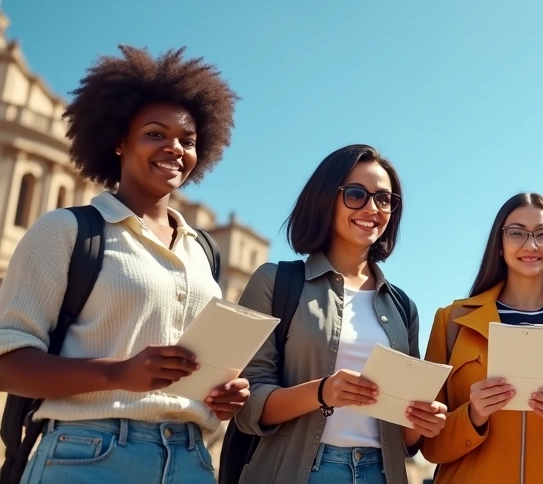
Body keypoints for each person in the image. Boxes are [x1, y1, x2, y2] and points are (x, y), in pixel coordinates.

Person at [0, 46, 246, 484]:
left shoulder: (202, 252)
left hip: (190, 460)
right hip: (87, 455)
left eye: (187, 140)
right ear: (119, 141)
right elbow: (7, 363)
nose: (174, 148)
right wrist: (117, 373)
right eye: (155, 133)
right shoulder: (66, 230)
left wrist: (218, 396)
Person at [234, 144, 447, 483]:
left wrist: (421, 422)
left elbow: (406, 439)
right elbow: (246, 405)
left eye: (384, 199)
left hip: (381, 473)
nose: (372, 208)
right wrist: (323, 392)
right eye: (356, 194)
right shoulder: (274, 282)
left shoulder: (403, 307)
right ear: (325, 198)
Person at [421, 193, 543, 483]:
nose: (531, 245)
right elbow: (428, 444)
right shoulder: (451, 322)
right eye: (516, 233)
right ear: (499, 245)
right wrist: (472, 416)